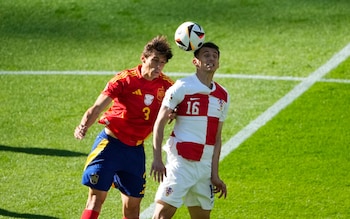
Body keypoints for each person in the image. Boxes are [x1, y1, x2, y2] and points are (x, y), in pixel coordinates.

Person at [74, 35, 174, 219]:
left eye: (163, 62)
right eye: (155, 60)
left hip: (135, 152)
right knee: (96, 199)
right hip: (110, 145)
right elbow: (97, 108)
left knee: (132, 207)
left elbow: (180, 108)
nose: (158, 66)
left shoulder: (167, 86)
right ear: (143, 58)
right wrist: (83, 125)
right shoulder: (124, 79)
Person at [150, 42, 229, 219]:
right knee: (162, 215)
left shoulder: (223, 95)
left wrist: (214, 174)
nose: (211, 58)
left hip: (204, 168)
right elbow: (160, 122)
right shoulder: (182, 87)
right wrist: (157, 159)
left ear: (218, 62)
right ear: (196, 62)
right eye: (206, 55)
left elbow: (217, 138)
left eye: (215, 55)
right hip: (181, 164)